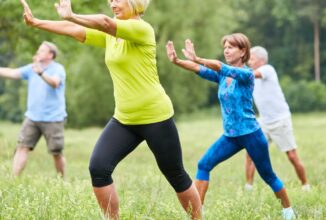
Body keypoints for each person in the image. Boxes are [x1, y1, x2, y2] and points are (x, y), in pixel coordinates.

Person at [20, 0, 202, 219]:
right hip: (124, 118)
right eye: (111, 0)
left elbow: (104, 22)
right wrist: (37, 22)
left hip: (155, 115)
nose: (112, 3)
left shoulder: (142, 29)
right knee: (98, 168)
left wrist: (72, 14)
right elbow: (76, 30)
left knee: (175, 174)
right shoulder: (111, 35)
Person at [166, 34, 296, 219]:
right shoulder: (221, 77)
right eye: (225, 46)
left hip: (251, 134)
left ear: (243, 51)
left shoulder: (246, 75)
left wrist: (198, 57)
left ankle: (288, 212)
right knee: (204, 164)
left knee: (268, 175)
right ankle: (196, 214)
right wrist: (177, 61)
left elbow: (219, 66)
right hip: (231, 136)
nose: (226, 50)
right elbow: (198, 69)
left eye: (231, 47)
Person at [244, 46, 310, 191]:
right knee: (250, 152)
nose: (249, 62)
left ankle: (305, 185)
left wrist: (234, 70)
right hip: (263, 121)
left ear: (261, 60)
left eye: (252, 59)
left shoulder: (268, 69)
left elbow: (251, 74)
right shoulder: (250, 76)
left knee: (292, 156)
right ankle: (248, 187)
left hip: (280, 120)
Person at [0, 41, 67, 177]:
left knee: (56, 153)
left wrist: (41, 73)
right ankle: (14, 179)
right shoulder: (32, 68)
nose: (38, 52)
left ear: (50, 55)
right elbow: (12, 73)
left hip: (53, 118)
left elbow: (55, 83)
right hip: (32, 117)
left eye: (42, 50)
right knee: (22, 147)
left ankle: (62, 180)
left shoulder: (58, 69)